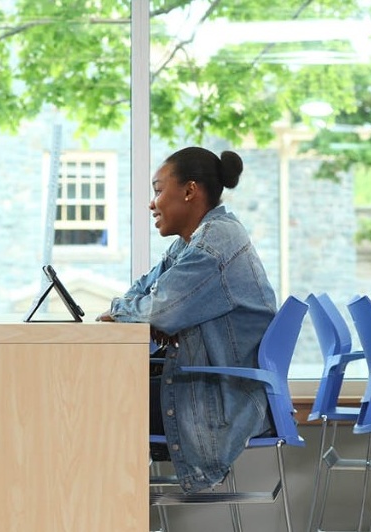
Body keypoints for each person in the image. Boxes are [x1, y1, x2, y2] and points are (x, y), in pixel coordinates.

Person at [98, 147, 279, 493]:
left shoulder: (213, 244)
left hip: (224, 404)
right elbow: (146, 292)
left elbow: (158, 310)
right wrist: (146, 312)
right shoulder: (192, 243)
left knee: (94, 405)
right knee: (93, 400)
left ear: (189, 191)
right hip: (218, 392)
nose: (152, 203)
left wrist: (127, 312)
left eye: (157, 190)